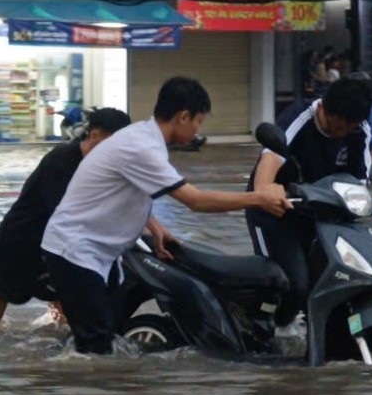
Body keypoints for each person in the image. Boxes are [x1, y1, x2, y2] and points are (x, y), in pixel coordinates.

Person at [41, 76, 292, 355]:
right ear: (184, 117)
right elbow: (195, 201)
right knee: (95, 349)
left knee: (103, 336)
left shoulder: (143, 138)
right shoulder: (143, 147)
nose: (199, 129)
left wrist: (153, 226)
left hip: (97, 250)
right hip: (75, 250)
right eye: (199, 121)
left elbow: (123, 189)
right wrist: (258, 198)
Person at [0, 107, 133, 332]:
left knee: (65, 322)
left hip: (53, 256)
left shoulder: (106, 168)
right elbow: (65, 214)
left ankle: (54, 360)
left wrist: (154, 228)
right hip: (16, 251)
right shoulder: (61, 161)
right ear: (95, 136)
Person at [247, 78, 372, 328]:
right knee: (292, 283)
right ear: (323, 108)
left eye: (348, 130)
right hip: (274, 213)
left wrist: (369, 201)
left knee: (336, 278)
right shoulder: (298, 120)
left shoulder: (360, 129)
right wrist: (269, 192)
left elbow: (358, 182)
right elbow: (263, 182)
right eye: (336, 128)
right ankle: (262, 327)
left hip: (319, 213)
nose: (341, 136)